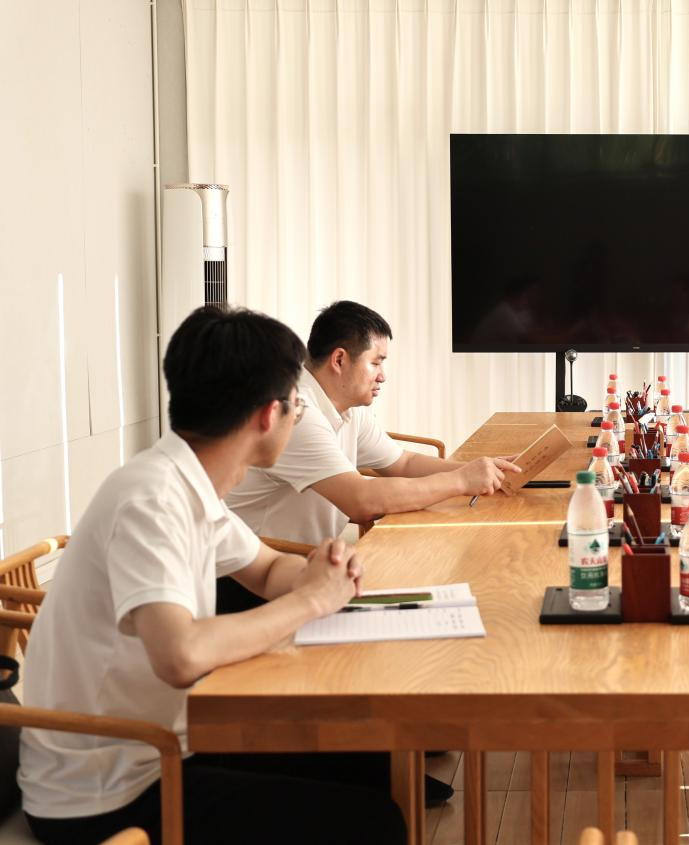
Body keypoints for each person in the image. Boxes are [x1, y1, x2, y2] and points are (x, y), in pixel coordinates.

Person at [18, 305, 406, 845]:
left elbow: (266, 569)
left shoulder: (189, 481)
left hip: (163, 747)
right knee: (373, 822)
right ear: (269, 416)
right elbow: (181, 655)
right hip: (105, 792)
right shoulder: (152, 499)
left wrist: (319, 572)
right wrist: (311, 601)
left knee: (373, 760)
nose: (299, 415)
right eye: (297, 404)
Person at [227, 300, 520, 545]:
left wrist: (484, 471)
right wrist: (461, 481)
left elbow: (402, 463)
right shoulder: (298, 411)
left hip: (305, 559)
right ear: (339, 360)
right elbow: (361, 500)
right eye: (376, 362)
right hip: (262, 572)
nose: (383, 376)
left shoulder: (348, 406)